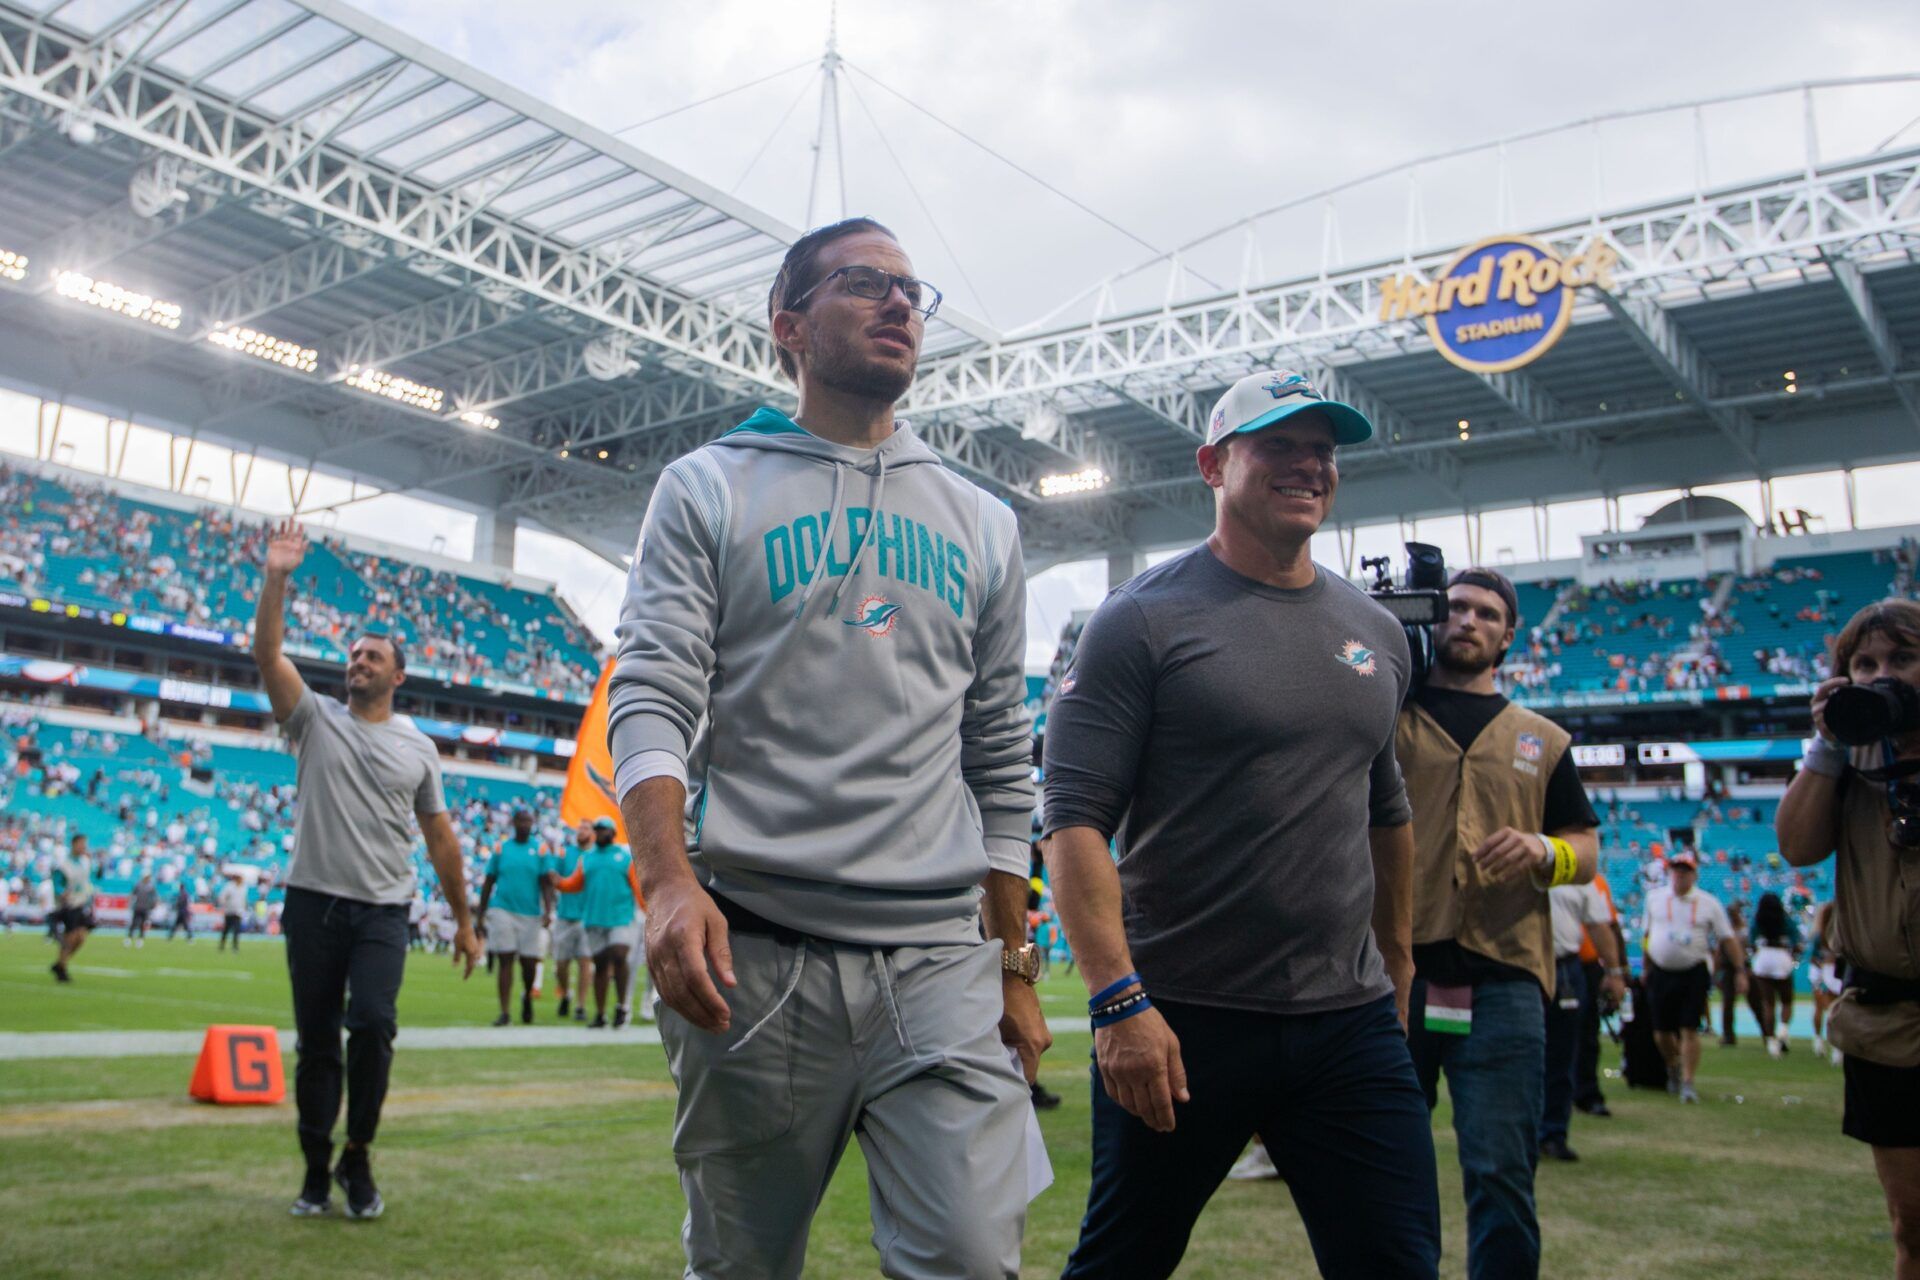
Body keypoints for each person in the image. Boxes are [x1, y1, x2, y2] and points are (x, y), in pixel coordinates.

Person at [607, 217, 1042, 1280]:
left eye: (912, 289)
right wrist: (665, 879)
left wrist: (1015, 964)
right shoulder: (708, 485)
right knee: (743, 1265)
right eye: (865, 282)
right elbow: (652, 691)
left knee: (975, 1259)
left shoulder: (985, 522)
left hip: (939, 958)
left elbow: (997, 758)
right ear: (788, 326)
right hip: (753, 956)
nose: (900, 303)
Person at [1043, 368, 1441, 1279]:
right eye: (1280, 447)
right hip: (1183, 1016)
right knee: (1122, 1262)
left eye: (1323, 451)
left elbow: (1386, 809)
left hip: (1349, 1021)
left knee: (1398, 1263)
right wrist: (1117, 1000)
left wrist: (1402, 960)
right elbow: (1070, 822)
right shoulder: (1141, 620)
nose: (1309, 466)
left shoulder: (1373, 631)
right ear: (1214, 464)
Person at [251, 516, 480, 1222]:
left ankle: (359, 1152)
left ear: (397, 674)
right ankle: (317, 1170)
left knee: (374, 1025)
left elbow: (441, 840)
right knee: (317, 1043)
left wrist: (466, 924)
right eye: (353, 654)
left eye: (372, 656)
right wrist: (277, 577)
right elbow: (267, 654)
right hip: (312, 901)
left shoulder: (419, 749)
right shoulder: (314, 718)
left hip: (383, 910)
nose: (358, 661)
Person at [1397, 566, 1601, 1278]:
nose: (1468, 621)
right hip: (1398, 973)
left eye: (1487, 613)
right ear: (1432, 617)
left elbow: (1587, 847)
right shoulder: (1387, 718)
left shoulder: (1542, 739)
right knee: (1388, 1174)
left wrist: (1546, 850)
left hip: (1506, 977)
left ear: (1508, 635)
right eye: (1454, 607)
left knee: (1501, 1173)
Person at [1777, 600, 1920, 1277]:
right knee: (1913, 1226)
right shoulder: (1851, 763)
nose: (1882, 676)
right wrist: (1830, 744)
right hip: (1886, 1023)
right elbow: (1798, 847)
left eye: (1902, 660)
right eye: (1865, 665)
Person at [1641, 850, 1746, 1104]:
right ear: (1669, 872)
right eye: (1676, 870)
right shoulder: (1654, 899)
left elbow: (1727, 939)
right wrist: (1646, 968)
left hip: (1694, 970)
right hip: (1661, 971)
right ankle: (1674, 1065)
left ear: (1694, 875)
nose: (1680, 875)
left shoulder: (1708, 903)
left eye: (1685, 871)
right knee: (1661, 1032)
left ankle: (1688, 1081)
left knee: (1689, 1027)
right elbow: (1646, 936)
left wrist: (1741, 970)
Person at [1541, 880, 1625, 1162]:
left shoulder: (1576, 870)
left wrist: (1614, 972)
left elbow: (1599, 926)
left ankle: (1553, 1133)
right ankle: (1519, 1133)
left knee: (1564, 1053)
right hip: (1518, 967)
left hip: (1564, 965)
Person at [547, 818, 640, 1029]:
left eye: (604, 829)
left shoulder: (624, 858)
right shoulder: (587, 858)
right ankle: (600, 1014)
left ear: (613, 832)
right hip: (594, 919)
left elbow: (637, 887)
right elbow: (575, 883)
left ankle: (622, 1007)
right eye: (598, 830)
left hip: (621, 918)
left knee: (618, 955)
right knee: (600, 966)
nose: (600, 833)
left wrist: (648, 909)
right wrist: (559, 883)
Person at [476, 808, 553, 1027]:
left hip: (530, 913)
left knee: (529, 963)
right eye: (522, 821)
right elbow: (489, 881)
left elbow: (546, 883)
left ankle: (527, 996)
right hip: (502, 909)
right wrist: (481, 914)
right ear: (514, 822)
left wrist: (548, 910)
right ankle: (505, 1011)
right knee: (506, 959)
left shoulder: (540, 850)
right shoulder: (502, 848)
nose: (525, 825)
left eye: (529, 821)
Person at [1573, 872, 1628, 1118]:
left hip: (1587, 964)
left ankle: (1586, 1092)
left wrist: (1618, 972)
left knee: (1587, 1032)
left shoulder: (1595, 880)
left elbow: (1610, 926)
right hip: (1551, 961)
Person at [1747, 891, 1802, 1057]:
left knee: (1768, 1003)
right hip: (1781, 956)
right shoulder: (1786, 920)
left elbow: (1751, 941)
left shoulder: (1758, 920)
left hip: (1763, 957)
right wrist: (1792, 955)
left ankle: (1771, 1041)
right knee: (1786, 1000)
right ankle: (1783, 1030)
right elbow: (1796, 940)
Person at [551, 819, 595, 1022]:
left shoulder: (595, 856)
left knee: (585, 962)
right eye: (579, 828)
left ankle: (580, 1005)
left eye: (585, 828)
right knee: (561, 963)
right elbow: (554, 875)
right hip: (565, 914)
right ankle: (566, 993)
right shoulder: (565, 852)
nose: (581, 831)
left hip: (586, 917)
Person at [48, 833, 95, 983]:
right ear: (74, 844)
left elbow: (87, 881)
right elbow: (57, 884)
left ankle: (60, 964)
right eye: (81, 844)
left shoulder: (85, 862)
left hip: (81, 903)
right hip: (69, 905)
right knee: (71, 937)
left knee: (81, 937)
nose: (84, 847)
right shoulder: (63, 864)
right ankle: (62, 967)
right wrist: (62, 893)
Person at [1716, 900, 1749, 1046]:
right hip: (1729, 969)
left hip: (1745, 968)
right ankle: (1728, 1035)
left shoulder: (1743, 930)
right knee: (1728, 1003)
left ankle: (1768, 1033)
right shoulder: (1727, 930)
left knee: (1756, 1000)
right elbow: (1718, 952)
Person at [125, 871, 158, 948]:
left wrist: (153, 905)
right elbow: (132, 894)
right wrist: (129, 902)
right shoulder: (138, 885)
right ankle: (129, 938)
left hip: (146, 908)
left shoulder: (151, 886)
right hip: (138, 907)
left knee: (143, 924)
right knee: (134, 923)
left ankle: (140, 939)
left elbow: (155, 897)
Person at [217, 874, 247, 952]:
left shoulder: (243, 888)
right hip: (229, 912)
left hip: (238, 912)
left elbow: (243, 900)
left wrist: (243, 909)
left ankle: (235, 947)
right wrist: (224, 905)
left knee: (236, 931)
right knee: (226, 930)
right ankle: (222, 945)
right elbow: (222, 897)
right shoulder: (229, 887)